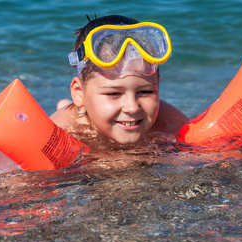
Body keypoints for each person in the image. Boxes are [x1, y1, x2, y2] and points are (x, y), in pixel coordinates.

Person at [49, 15, 188, 145]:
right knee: (66, 107)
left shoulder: (170, 121)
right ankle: (65, 105)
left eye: (145, 91)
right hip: (79, 114)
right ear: (79, 93)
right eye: (113, 94)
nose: (132, 107)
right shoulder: (64, 130)